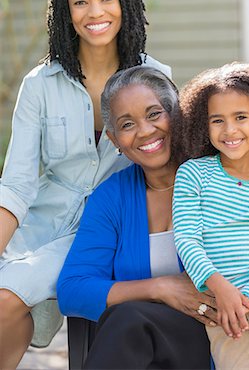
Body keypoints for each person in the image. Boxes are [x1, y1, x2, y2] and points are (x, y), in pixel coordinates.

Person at [0, 0, 172, 370]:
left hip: (108, 229)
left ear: (124, 3)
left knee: (5, 297)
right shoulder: (40, 84)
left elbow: (166, 166)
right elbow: (18, 182)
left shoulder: (154, 78)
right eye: (80, 1)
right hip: (39, 226)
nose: (95, 12)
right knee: (9, 305)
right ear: (66, 11)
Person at [57, 66, 218, 370]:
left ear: (179, 113)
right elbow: (73, 289)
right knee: (131, 321)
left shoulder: (222, 177)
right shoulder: (112, 197)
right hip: (148, 346)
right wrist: (161, 288)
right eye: (127, 124)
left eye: (155, 114)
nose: (144, 131)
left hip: (225, 339)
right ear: (114, 140)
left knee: (130, 320)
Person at [172, 62, 249, 370]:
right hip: (218, 303)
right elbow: (187, 239)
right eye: (218, 120)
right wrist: (221, 289)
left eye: (240, 117)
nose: (229, 130)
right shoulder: (193, 174)